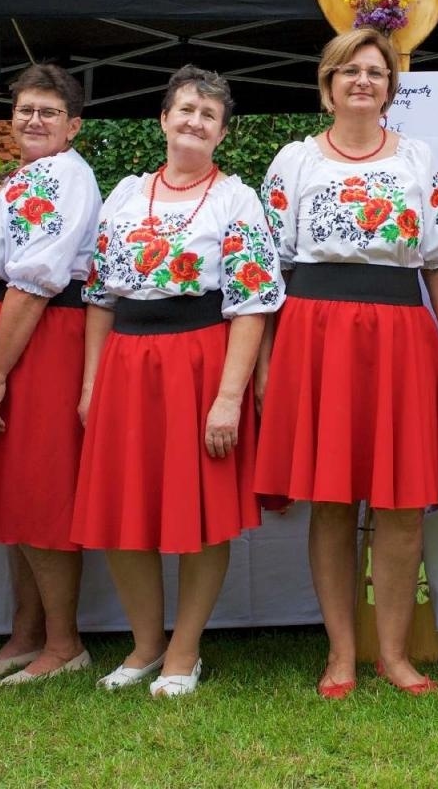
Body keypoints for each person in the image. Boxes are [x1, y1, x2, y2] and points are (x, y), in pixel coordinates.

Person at [256, 28, 438, 699]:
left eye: (375, 72)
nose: (362, 81)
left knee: (403, 500)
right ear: (327, 86)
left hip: (402, 333)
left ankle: (396, 654)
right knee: (331, 499)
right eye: (348, 71)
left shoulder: (416, 158)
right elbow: (266, 271)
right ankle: (342, 653)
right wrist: (265, 361)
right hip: (314, 332)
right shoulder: (293, 161)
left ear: (389, 90)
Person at [71, 66, 283, 697]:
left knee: (202, 511)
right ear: (164, 119)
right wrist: (90, 383)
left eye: (208, 115)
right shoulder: (126, 196)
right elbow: (101, 297)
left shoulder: (236, 199)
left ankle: (184, 651)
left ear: (221, 132)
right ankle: (143, 646)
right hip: (128, 362)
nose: (194, 122)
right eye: (185, 110)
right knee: (124, 507)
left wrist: (228, 397)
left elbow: (252, 304)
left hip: (200, 361)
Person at [0, 63, 101, 684]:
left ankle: (64, 642)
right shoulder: (28, 176)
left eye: (49, 112)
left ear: (73, 126)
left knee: (38, 488)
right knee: (14, 490)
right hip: (8, 328)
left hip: (36, 336)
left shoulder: (62, 176)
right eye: (26, 110)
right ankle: (26, 633)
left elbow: (35, 280)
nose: (34, 120)